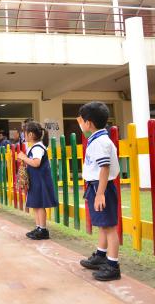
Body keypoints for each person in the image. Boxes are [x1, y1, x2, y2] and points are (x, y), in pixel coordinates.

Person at [78, 102, 121, 281]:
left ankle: (112, 265)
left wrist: (100, 193)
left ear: (89, 123)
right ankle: (101, 255)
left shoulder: (100, 142)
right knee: (103, 224)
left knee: (110, 227)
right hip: (97, 185)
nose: (80, 125)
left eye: (81, 122)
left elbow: (104, 168)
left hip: (102, 186)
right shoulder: (97, 138)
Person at [17, 121, 58, 240]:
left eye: (24, 133)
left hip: (40, 181)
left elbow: (36, 162)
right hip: (36, 180)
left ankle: (43, 229)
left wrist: (24, 157)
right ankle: (39, 227)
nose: (23, 135)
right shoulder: (35, 147)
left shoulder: (38, 147)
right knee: (36, 204)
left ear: (30, 134)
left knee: (39, 205)